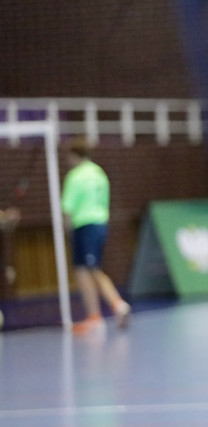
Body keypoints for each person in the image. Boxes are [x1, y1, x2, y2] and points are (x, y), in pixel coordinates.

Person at [62, 137, 130, 333]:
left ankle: (116, 305)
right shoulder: (99, 173)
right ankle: (95, 315)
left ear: (75, 155)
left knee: (88, 270)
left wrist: (68, 231)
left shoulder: (76, 176)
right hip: (101, 223)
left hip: (84, 225)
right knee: (86, 269)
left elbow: (67, 208)